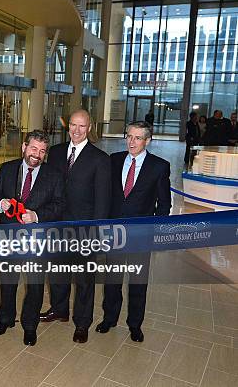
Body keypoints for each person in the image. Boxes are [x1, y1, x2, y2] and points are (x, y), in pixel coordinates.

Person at [39, 109, 111, 343]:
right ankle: (59, 309)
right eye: (73, 125)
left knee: (84, 279)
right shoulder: (57, 152)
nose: (76, 130)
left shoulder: (100, 159)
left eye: (82, 126)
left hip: (84, 228)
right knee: (58, 273)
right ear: (67, 126)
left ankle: (82, 322)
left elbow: (103, 199)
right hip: (57, 225)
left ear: (89, 128)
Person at [96, 121, 171, 343]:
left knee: (138, 282)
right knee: (112, 280)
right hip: (115, 233)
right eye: (129, 136)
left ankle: (135, 324)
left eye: (137, 138)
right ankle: (109, 318)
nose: (131, 141)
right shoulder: (114, 160)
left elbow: (164, 205)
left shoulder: (159, 166)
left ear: (147, 141)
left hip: (141, 236)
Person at [0, 130, 65, 346]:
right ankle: (5, 319)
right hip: (8, 235)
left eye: (42, 151)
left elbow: (60, 204)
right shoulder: (7, 168)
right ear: (24, 147)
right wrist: (0, 203)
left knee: (35, 285)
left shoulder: (55, 174)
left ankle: (30, 326)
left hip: (37, 238)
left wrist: (37, 215)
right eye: (33, 148)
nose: (37, 154)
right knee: (7, 281)